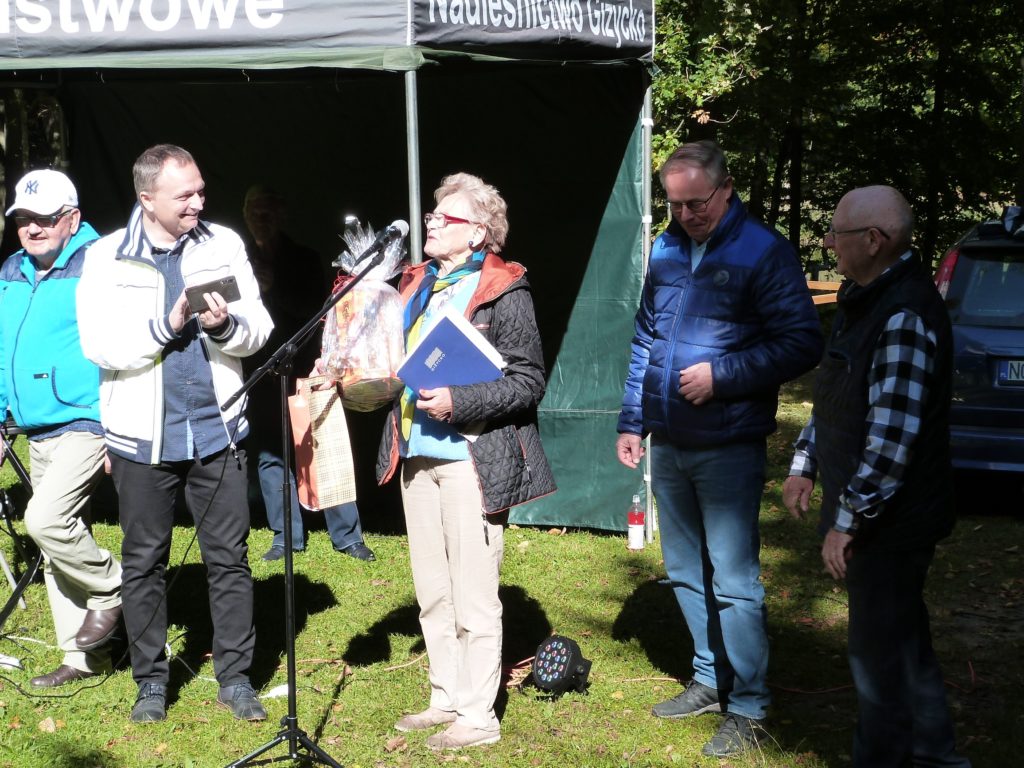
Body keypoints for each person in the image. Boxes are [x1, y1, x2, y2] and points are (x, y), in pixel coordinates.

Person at [615, 140, 823, 757]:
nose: (686, 216)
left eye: (697, 203)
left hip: (729, 444)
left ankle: (750, 704)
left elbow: (802, 341)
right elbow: (646, 338)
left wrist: (723, 376)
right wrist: (633, 420)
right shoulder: (666, 248)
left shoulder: (764, 251)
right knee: (684, 571)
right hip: (669, 440)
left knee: (734, 581)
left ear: (726, 189)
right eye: (674, 205)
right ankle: (709, 678)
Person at [76, 145, 273, 724]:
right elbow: (99, 345)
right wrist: (168, 324)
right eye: (184, 194)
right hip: (142, 439)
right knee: (143, 563)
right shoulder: (106, 256)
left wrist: (227, 326)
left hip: (217, 430)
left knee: (229, 560)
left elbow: (259, 328)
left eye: (201, 190)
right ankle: (151, 684)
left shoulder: (223, 245)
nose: (198, 202)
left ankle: (235, 679)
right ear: (147, 199)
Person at [783, 186, 971, 767]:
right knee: (904, 643)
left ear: (873, 240)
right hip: (877, 516)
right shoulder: (862, 298)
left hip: (893, 525)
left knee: (879, 661)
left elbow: (892, 439)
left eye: (836, 233)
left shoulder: (903, 315)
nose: (827, 243)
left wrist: (847, 522)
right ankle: (937, 756)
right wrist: (805, 462)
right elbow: (837, 393)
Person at [376, 172, 555, 750]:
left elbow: (528, 381)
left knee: (473, 594)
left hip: (471, 459)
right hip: (416, 454)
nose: (430, 223)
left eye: (443, 218)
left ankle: (478, 717)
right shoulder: (416, 283)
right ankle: (445, 697)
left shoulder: (506, 289)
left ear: (477, 232)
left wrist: (461, 401)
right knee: (432, 589)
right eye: (431, 215)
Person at [0, 170, 123, 688]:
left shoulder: (101, 263)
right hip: (35, 426)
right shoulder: (12, 268)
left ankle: (114, 587)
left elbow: (127, 347)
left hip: (86, 418)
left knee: (45, 520)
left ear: (72, 219)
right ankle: (84, 657)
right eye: (23, 219)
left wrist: (120, 425)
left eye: (45, 218)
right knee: (58, 545)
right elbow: (4, 347)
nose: (32, 228)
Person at [241, 186, 375, 563]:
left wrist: (273, 288)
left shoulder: (303, 258)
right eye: (253, 210)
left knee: (323, 449)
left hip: (306, 369)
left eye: (267, 209)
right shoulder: (238, 259)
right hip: (259, 373)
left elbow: (316, 314)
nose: (260, 217)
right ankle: (285, 537)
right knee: (271, 456)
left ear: (281, 215)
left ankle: (347, 536)